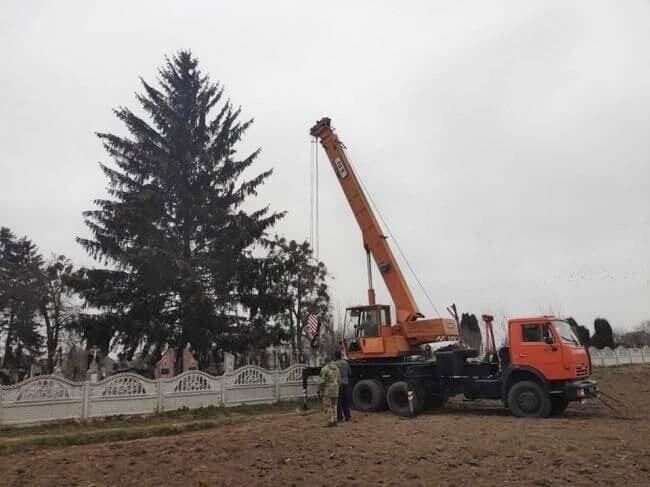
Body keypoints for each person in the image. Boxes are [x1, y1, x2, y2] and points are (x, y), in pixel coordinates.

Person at [319, 355, 340, 427]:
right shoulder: (337, 368)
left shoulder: (325, 369)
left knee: (328, 406)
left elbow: (322, 381)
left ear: (326, 362)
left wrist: (320, 389)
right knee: (334, 405)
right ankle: (335, 420)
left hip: (328, 389)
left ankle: (330, 421)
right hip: (336, 388)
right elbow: (339, 380)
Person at [334, 350, 352, 422]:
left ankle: (340, 418)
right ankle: (348, 417)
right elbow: (350, 373)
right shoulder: (345, 363)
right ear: (341, 355)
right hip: (346, 384)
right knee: (345, 401)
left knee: (339, 401)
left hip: (338, 384)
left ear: (335, 356)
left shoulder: (335, 364)